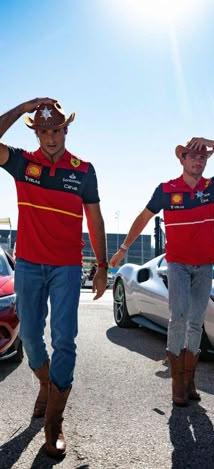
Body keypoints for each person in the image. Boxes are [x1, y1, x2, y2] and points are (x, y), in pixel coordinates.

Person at [0, 98, 108, 457]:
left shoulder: (83, 170)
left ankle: (54, 422)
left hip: (66, 267)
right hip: (28, 265)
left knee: (65, 339)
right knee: (29, 336)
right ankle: (47, 386)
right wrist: (23, 108)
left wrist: (103, 266)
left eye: (56, 130)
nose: (50, 137)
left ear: (66, 130)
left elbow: (94, 219)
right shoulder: (20, 162)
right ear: (36, 131)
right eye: (43, 130)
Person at [110, 137, 214, 406]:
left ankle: (190, 380)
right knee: (178, 316)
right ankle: (177, 383)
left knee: (195, 321)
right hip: (177, 264)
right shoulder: (166, 190)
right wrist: (123, 248)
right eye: (193, 157)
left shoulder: (211, 187)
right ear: (182, 160)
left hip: (205, 265)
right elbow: (143, 218)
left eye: (202, 158)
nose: (198, 162)